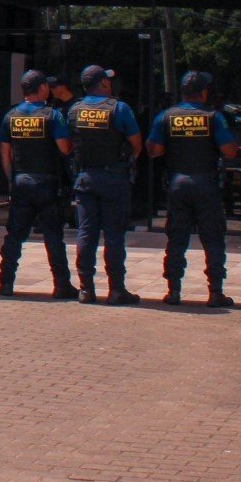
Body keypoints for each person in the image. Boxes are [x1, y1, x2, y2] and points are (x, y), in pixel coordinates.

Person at [147, 71, 240, 308]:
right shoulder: (213, 117)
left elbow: (154, 150)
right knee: (213, 239)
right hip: (206, 184)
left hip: (178, 184)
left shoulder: (166, 116)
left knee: (176, 238)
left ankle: (174, 291)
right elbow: (229, 151)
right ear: (204, 92)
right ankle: (216, 292)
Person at [0, 69, 76, 300]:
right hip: (47, 183)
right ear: (42, 89)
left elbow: (5, 151)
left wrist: (11, 179)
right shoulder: (53, 115)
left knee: (14, 235)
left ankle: (6, 283)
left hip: (21, 181)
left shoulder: (11, 116)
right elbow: (64, 148)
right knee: (53, 236)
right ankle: (61, 285)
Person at [67, 64, 143, 306]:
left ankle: (86, 289)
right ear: (103, 83)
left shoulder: (74, 110)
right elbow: (136, 144)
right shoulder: (119, 108)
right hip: (114, 178)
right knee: (114, 235)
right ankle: (116, 289)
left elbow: (69, 144)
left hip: (86, 177)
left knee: (86, 233)